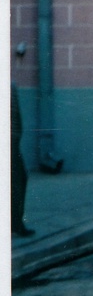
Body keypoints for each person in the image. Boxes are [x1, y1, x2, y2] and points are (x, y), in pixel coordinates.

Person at [11, 83, 34, 238]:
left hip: (12, 139)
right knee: (17, 180)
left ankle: (16, 223)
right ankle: (16, 224)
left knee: (19, 179)